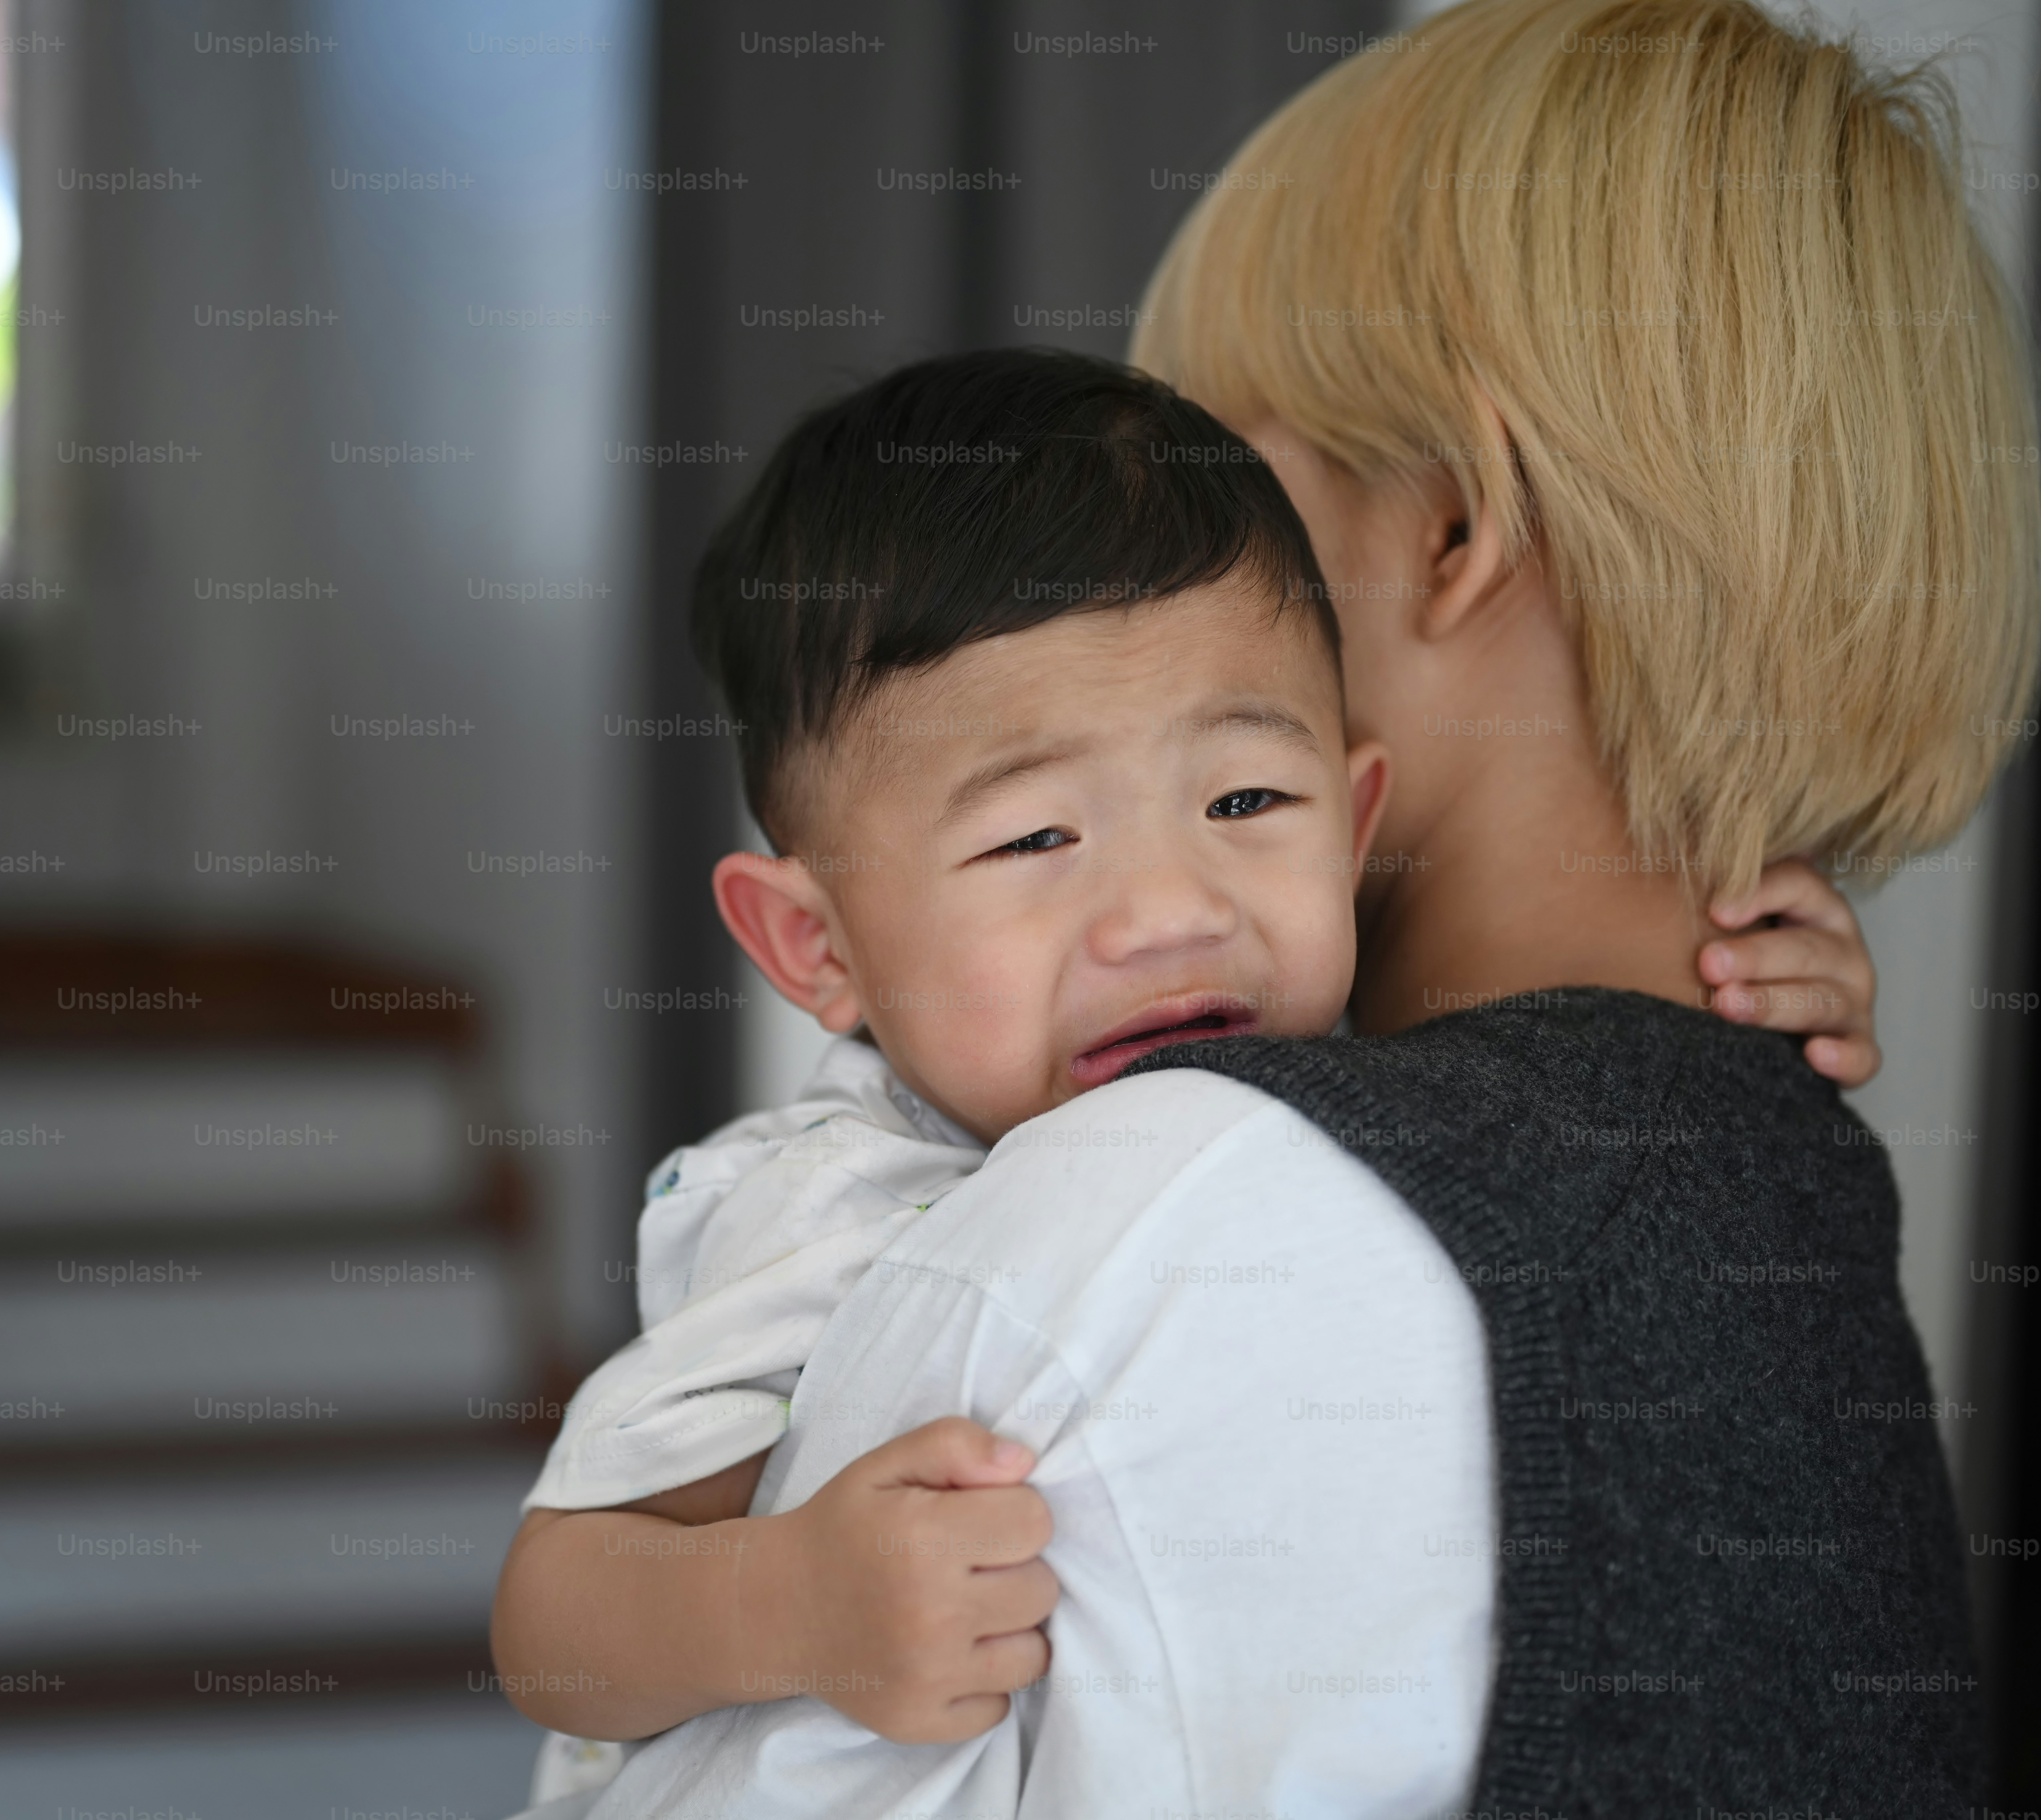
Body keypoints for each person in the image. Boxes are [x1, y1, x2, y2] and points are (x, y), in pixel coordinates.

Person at [517, 0, 2032, 1812]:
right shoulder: (1781, 1154)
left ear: (1454, 530)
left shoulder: (1151, 1208)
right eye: (1030, 838)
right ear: (809, 941)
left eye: (1240, 482)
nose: (1158, 906)